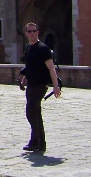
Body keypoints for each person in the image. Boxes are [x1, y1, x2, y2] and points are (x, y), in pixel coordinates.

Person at [19, 22, 61, 153]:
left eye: (34, 31)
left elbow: (51, 68)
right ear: (26, 33)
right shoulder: (28, 48)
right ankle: (40, 143)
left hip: (40, 85)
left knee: (31, 112)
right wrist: (23, 81)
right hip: (31, 85)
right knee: (36, 113)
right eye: (29, 31)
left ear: (37, 32)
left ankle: (35, 142)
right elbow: (29, 67)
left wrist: (56, 86)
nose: (32, 33)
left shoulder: (43, 49)